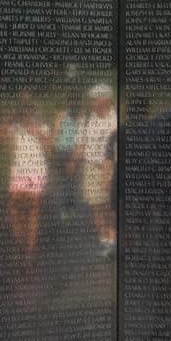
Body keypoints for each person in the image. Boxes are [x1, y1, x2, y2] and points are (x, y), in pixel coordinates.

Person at [4, 93, 54, 259]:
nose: (26, 114)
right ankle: (20, 243)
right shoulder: (14, 127)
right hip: (18, 171)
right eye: (23, 111)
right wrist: (9, 120)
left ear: (33, 111)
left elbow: (49, 150)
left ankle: (30, 251)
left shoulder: (42, 126)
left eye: (28, 110)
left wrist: (39, 134)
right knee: (13, 208)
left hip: (36, 170)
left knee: (33, 209)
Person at [72, 83, 118, 257]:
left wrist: (109, 174)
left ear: (105, 99)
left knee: (111, 208)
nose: (92, 102)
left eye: (95, 99)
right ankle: (105, 242)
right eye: (91, 99)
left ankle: (113, 240)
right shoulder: (86, 120)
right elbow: (80, 144)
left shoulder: (115, 120)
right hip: (90, 168)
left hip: (110, 169)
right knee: (97, 208)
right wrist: (73, 161)